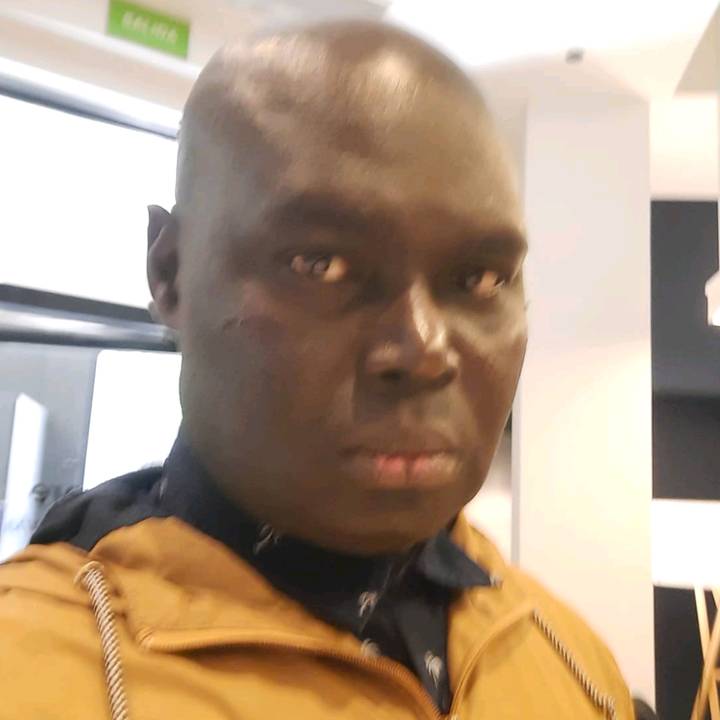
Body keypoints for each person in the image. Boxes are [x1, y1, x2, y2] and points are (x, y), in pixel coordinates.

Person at [0, 19, 634, 720]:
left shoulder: (570, 655)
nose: (424, 350)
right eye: (320, 264)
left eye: (481, 278)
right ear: (170, 272)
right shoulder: (30, 670)